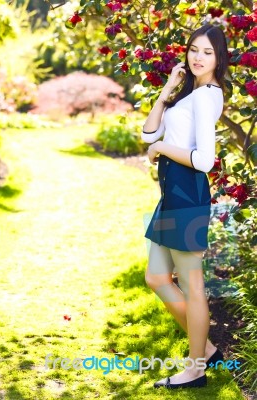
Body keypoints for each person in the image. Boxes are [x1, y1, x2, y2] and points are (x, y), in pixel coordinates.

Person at [141, 23, 229, 389]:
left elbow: (205, 160)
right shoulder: (189, 94)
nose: (198, 57)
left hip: (188, 194)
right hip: (173, 194)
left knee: (192, 286)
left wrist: (161, 149)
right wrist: (165, 94)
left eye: (207, 52)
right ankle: (205, 349)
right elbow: (147, 134)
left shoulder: (208, 94)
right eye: (194, 49)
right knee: (157, 278)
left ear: (219, 58)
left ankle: (195, 369)